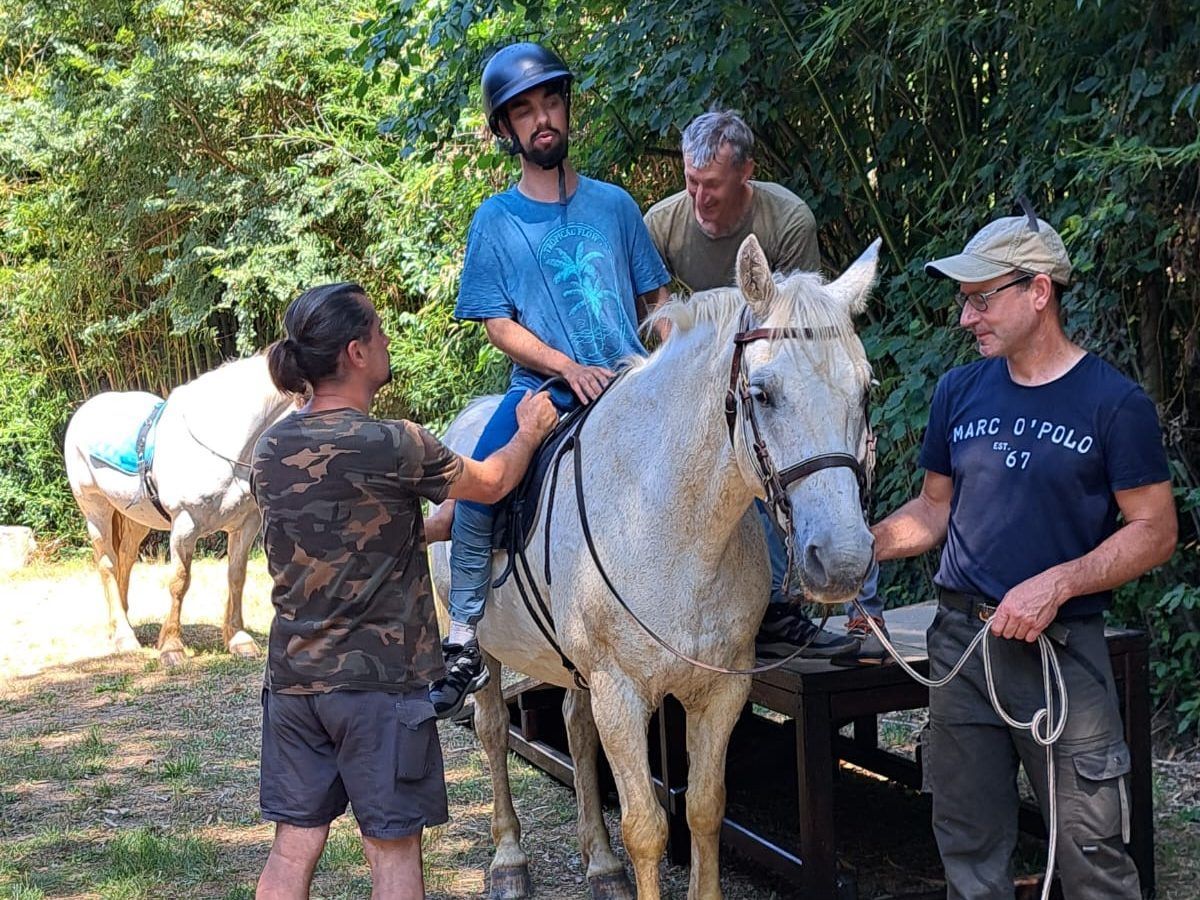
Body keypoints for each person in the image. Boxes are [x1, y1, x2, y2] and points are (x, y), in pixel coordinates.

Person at [870, 210, 1177, 898]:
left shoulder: (1113, 403)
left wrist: (1057, 584)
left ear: (1039, 292)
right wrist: (863, 550)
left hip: (1060, 654)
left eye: (981, 298)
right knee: (967, 847)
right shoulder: (959, 391)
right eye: (963, 300)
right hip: (962, 649)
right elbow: (934, 508)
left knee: (1089, 851)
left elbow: (1155, 530)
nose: (965, 317)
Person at [250, 282, 557, 900]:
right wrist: (529, 429)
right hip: (381, 690)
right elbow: (494, 482)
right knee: (392, 854)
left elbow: (329, 535)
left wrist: (419, 530)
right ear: (357, 353)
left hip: (294, 683)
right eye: (380, 331)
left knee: (292, 850)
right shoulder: (395, 443)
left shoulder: (271, 448)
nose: (388, 340)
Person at [428, 41, 672, 718]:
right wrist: (567, 366)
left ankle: (766, 603)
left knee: (729, 444)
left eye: (552, 102)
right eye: (525, 111)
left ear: (567, 111)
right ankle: (464, 639)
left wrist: (680, 367)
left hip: (632, 383)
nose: (543, 119)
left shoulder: (617, 206)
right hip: (543, 391)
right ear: (506, 130)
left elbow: (659, 306)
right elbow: (496, 325)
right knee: (480, 483)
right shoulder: (496, 220)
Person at [645, 109, 886, 662]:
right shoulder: (662, 222)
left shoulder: (788, 219)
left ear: (746, 173)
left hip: (775, 359)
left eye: (712, 186)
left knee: (820, 440)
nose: (699, 198)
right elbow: (656, 307)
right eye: (690, 182)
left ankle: (855, 609)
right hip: (700, 371)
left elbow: (810, 317)